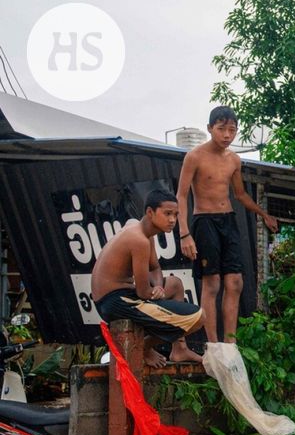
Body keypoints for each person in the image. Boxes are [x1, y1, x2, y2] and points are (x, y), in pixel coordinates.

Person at [176, 106, 278, 343]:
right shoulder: (194, 156)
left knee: (235, 282)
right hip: (205, 221)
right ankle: (213, 344)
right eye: (221, 129)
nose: (227, 135)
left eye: (232, 130)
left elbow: (240, 194)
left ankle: (230, 344)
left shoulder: (234, 160)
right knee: (211, 284)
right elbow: (181, 195)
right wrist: (184, 233)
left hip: (228, 220)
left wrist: (263, 214)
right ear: (210, 128)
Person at [91, 190, 205, 367]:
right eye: (167, 213)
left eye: (175, 215)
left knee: (175, 284)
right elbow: (143, 292)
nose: (172, 220)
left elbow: (154, 268)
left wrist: (159, 287)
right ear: (150, 212)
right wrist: (154, 292)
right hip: (113, 303)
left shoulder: (142, 230)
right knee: (198, 318)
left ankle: (180, 349)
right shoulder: (139, 240)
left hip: (123, 294)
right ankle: (142, 347)